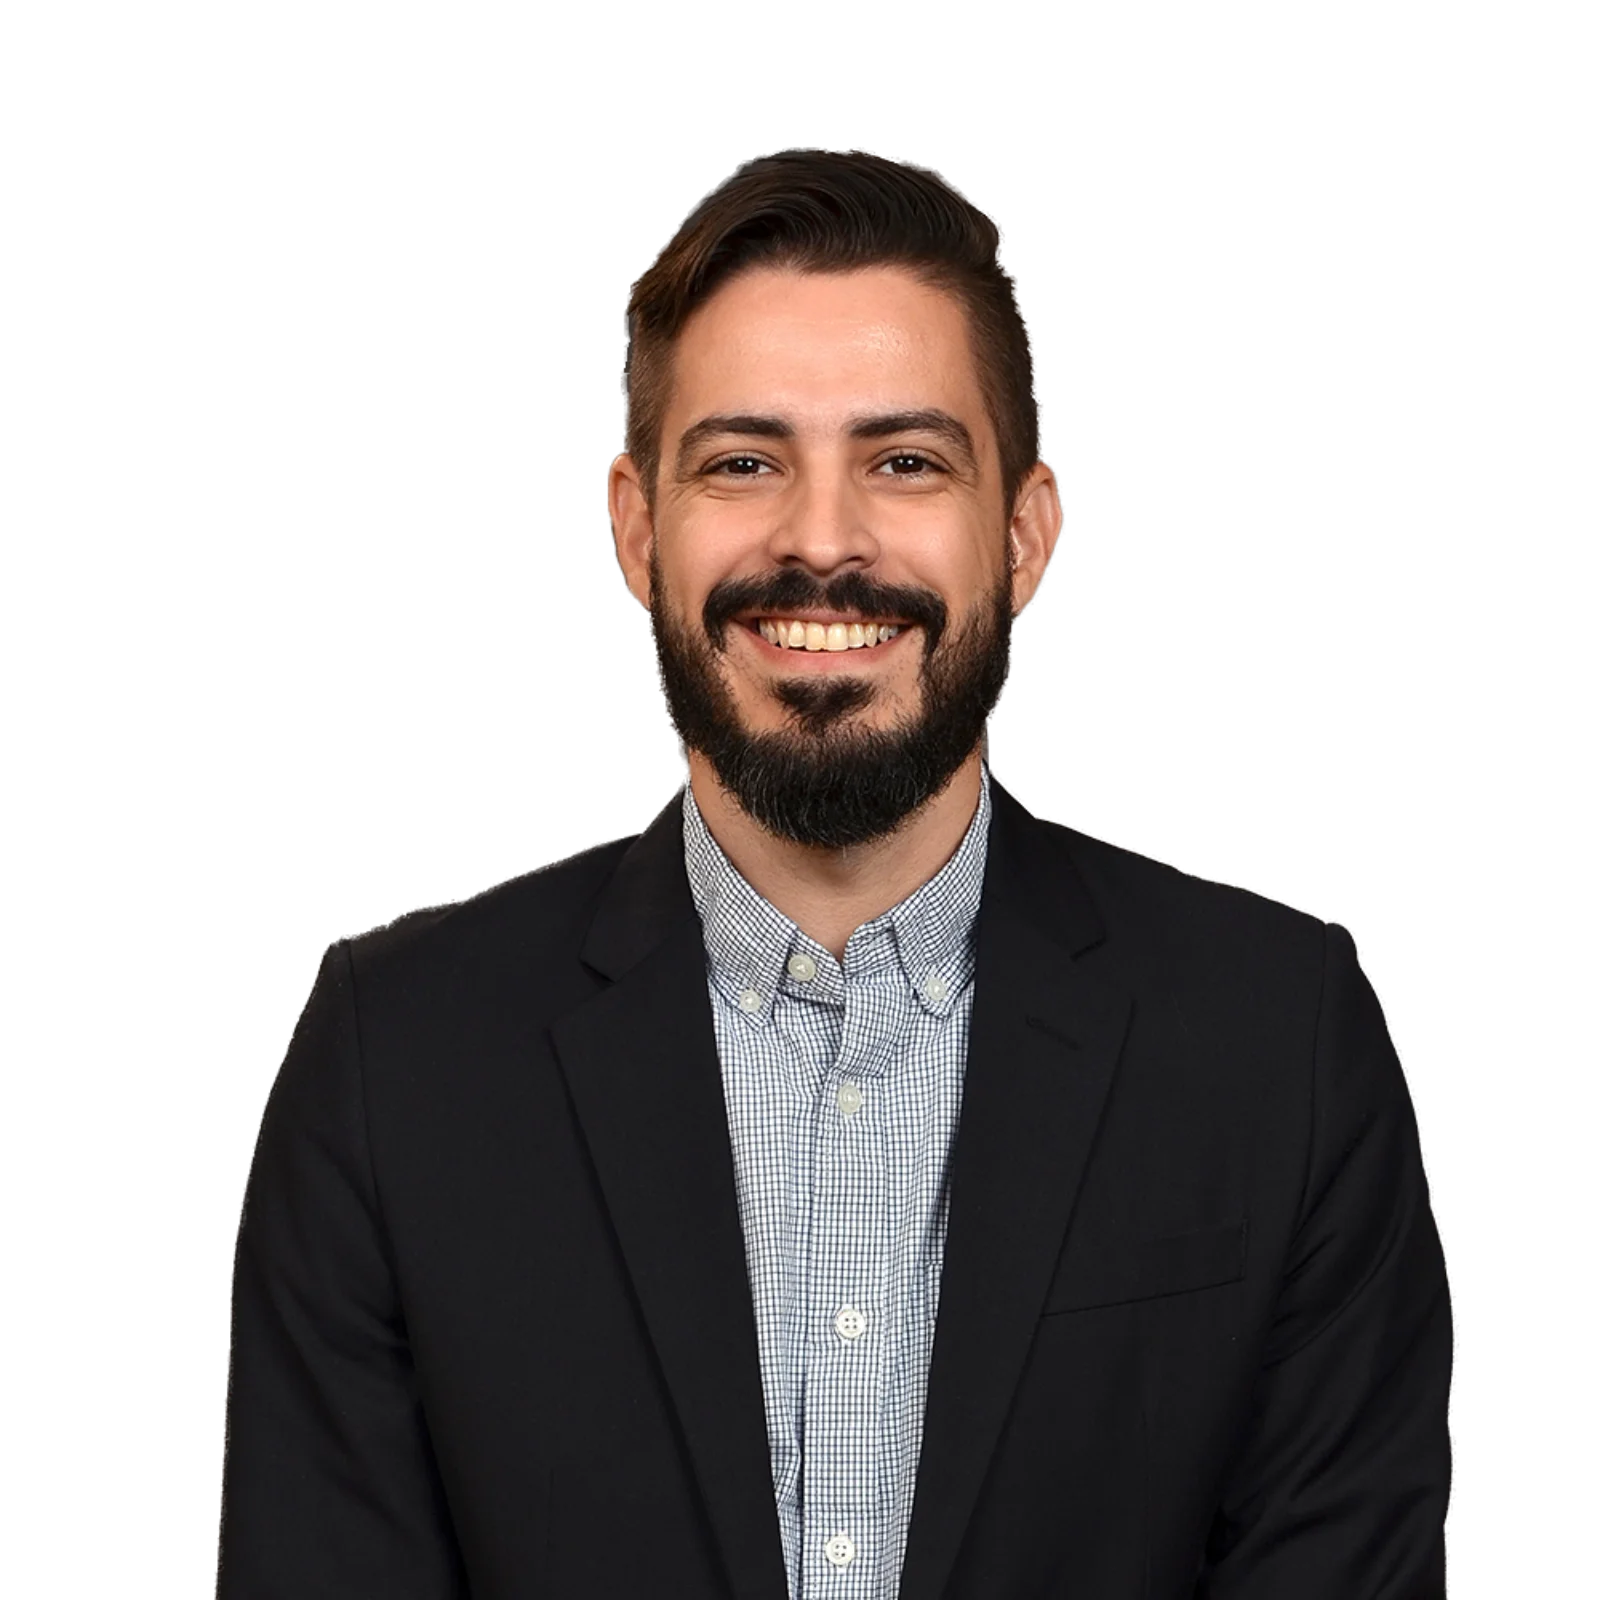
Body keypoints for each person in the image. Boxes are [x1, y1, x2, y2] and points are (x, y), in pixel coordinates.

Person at [217, 147, 1453, 1597]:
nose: (821, 541)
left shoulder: (1281, 1039)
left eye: (905, 461)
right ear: (634, 526)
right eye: (743, 462)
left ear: (1027, 532)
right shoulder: (393, 1055)